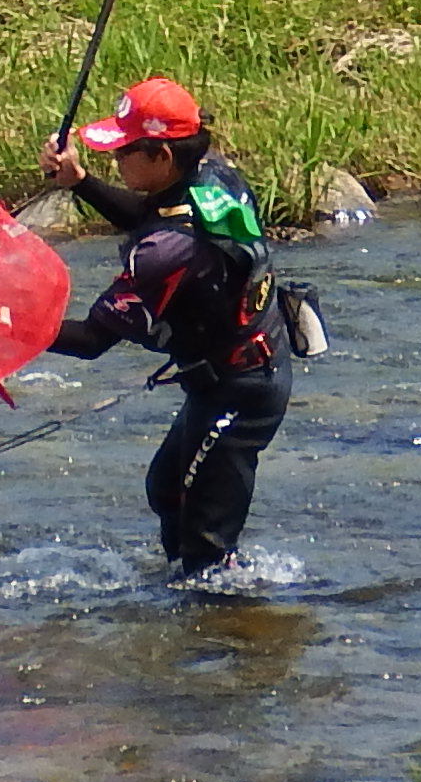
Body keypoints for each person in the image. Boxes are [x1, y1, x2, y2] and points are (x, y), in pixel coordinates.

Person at [36, 76, 289, 581]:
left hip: (240, 389)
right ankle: (187, 589)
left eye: (124, 152)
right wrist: (79, 181)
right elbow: (151, 213)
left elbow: (91, 341)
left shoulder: (166, 253)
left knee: (205, 539)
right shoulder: (213, 177)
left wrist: (9, 326)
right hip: (244, 369)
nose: (116, 160)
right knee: (167, 490)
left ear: (163, 156)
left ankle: (220, 613)